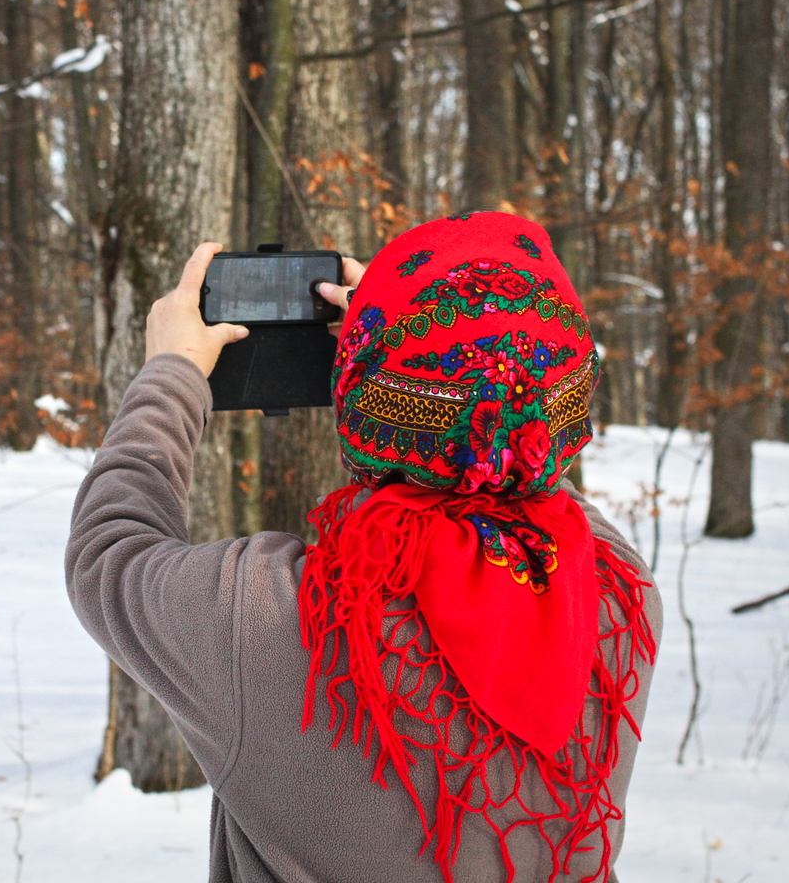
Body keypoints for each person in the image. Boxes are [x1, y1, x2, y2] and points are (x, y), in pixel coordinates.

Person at [66, 212, 661, 883]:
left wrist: (172, 372)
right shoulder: (618, 593)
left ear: (363, 396)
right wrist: (429, 343)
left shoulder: (267, 618)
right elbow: (532, 453)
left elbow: (107, 553)